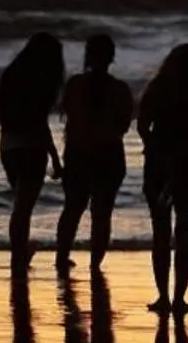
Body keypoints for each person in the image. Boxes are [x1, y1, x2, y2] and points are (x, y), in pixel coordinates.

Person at [138, 42, 188, 316]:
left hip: (158, 164)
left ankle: (162, 297)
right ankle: (179, 298)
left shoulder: (158, 89)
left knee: (160, 232)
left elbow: (141, 124)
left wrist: (153, 146)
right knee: (185, 233)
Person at [53, 30, 133, 276]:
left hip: (78, 152)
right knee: (102, 212)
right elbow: (124, 125)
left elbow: (66, 115)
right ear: (111, 57)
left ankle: (62, 256)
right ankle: (95, 264)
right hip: (109, 153)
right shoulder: (120, 89)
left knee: (73, 207)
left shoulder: (75, 84)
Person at [0, 32, 64, 268]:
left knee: (20, 206)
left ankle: (20, 252)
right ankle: (19, 256)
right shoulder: (39, 80)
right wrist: (54, 156)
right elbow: (39, 123)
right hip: (32, 148)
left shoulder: (11, 76)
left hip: (8, 148)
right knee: (24, 208)